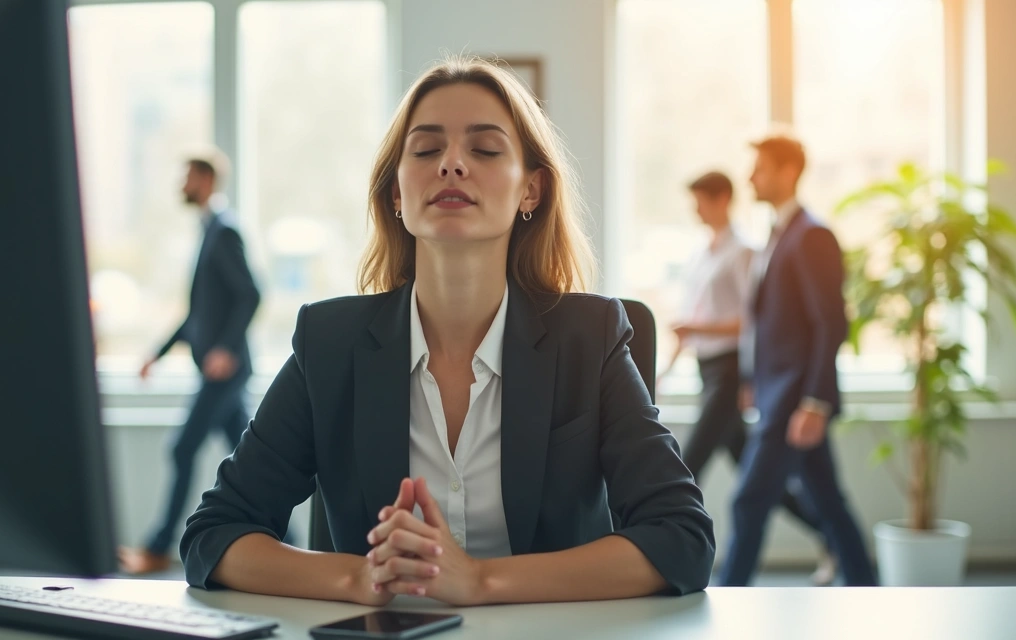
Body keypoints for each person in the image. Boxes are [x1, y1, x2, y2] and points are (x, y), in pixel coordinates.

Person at [178, 57, 714, 606]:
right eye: (427, 149)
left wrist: (481, 583)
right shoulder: (329, 343)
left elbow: (681, 538)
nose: (452, 165)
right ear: (395, 193)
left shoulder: (591, 337)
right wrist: (356, 579)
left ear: (530, 190)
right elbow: (214, 535)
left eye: (484, 149)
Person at [662, 171, 835, 585]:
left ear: (722, 200)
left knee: (687, 466)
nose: (695, 210)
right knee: (762, 483)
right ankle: (829, 536)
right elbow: (696, 318)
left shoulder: (743, 253)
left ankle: (666, 562)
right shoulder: (703, 253)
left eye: (701, 200)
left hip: (728, 374)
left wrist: (744, 377)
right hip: (707, 372)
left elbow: (751, 323)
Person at [719, 134, 876, 587]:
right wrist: (751, 378)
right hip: (774, 392)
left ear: (788, 172)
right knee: (827, 501)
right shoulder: (777, 234)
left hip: (795, 398)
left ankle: (727, 596)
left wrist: (815, 402)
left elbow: (831, 324)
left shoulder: (812, 236)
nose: (751, 176)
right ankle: (867, 587)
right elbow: (768, 321)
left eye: (761, 168)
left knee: (748, 501)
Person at [119, 150, 262, 575]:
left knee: (182, 449)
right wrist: (155, 356)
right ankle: (288, 541)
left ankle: (160, 545)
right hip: (218, 370)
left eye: (186, 177)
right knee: (249, 459)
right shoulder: (208, 231)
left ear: (205, 180)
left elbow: (251, 293)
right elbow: (197, 315)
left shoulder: (224, 230)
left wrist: (225, 349)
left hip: (225, 371)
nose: (181, 185)